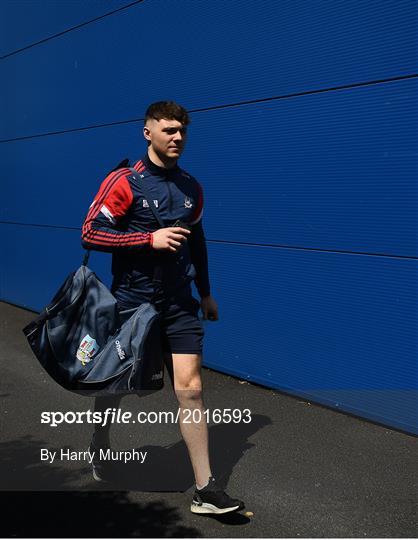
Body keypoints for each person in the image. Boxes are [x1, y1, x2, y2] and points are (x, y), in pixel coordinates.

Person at [81, 101, 244, 515]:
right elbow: (89, 232)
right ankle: (99, 448)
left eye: (182, 131)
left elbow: (198, 242)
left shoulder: (191, 187)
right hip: (133, 304)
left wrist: (205, 293)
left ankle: (205, 490)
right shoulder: (124, 182)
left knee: (191, 390)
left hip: (179, 303)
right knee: (114, 387)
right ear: (147, 132)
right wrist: (144, 241)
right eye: (169, 130)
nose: (177, 138)